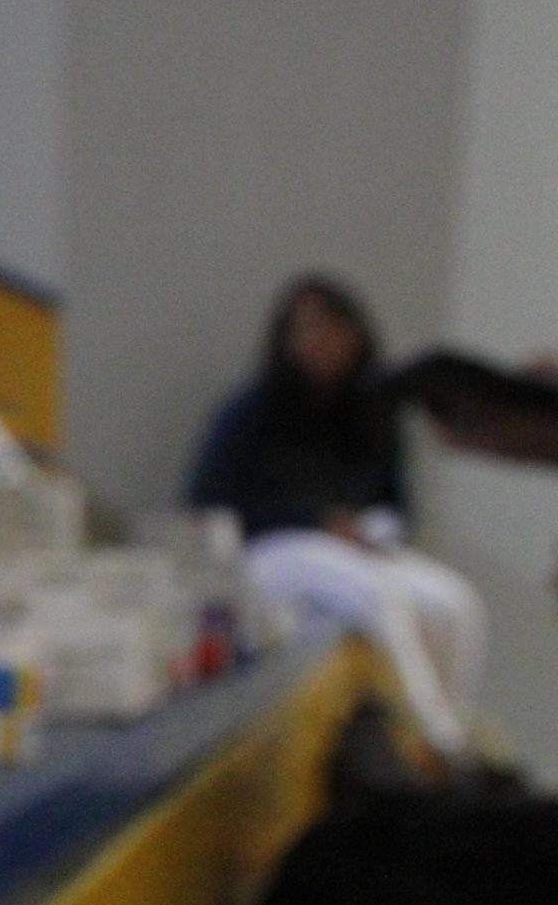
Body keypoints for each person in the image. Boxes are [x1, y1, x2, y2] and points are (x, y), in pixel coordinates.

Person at [187, 276, 485, 752]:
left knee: (451, 602)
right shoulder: (252, 411)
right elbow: (208, 503)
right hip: (274, 549)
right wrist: (316, 521)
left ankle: (451, 731)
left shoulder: (374, 413)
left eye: (331, 328)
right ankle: (438, 743)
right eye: (306, 329)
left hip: (360, 548)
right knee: (378, 603)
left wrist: (372, 530)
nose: (319, 342)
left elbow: (398, 505)